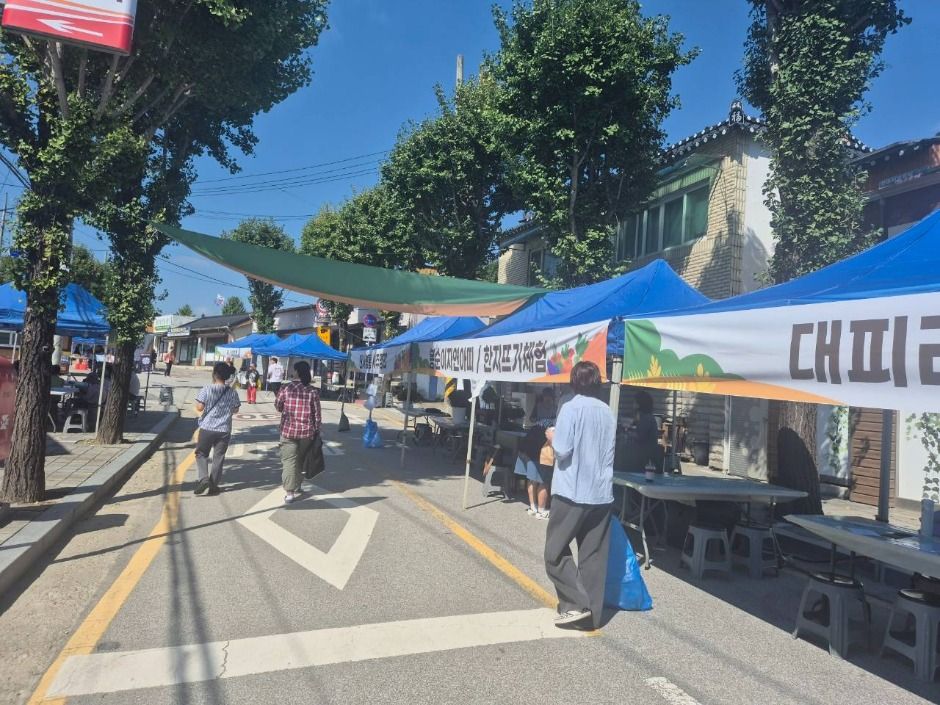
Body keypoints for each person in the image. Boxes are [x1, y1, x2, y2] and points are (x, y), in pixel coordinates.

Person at [544, 361, 615, 629]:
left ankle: (576, 603)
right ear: (598, 382)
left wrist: (551, 436)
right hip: (601, 493)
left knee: (554, 552)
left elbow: (562, 450)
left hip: (572, 492)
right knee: (593, 556)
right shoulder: (608, 412)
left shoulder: (570, 408)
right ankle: (591, 616)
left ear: (574, 382)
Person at [275, 360, 322, 505]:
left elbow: (278, 406)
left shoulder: (286, 388)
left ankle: (290, 493)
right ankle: (298, 483)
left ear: (296, 372)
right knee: (300, 459)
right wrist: (317, 429)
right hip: (306, 433)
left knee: (289, 461)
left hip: (288, 431)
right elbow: (317, 414)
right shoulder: (312, 391)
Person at [193, 362, 241, 496]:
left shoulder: (207, 389)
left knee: (201, 454)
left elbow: (199, 408)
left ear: (214, 374)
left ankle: (203, 479)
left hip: (207, 428)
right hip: (224, 429)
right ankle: (213, 486)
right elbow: (236, 409)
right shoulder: (232, 392)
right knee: (218, 457)